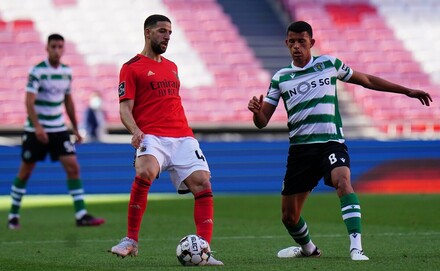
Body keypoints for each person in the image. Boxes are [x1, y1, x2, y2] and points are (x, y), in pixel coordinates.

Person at [247, 21, 432, 261]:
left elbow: (366, 80)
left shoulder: (329, 64)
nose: (296, 47)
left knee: (343, 182)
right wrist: (255, 111)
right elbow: (263, 121)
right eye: (291, 42)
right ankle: (308, 250)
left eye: (301, 41)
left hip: (330, 142)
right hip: (300, 151)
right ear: (286, 44)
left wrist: (406, 91)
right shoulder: (280, 78)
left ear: (311, 43)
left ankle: (356, 247)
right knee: (289, 217)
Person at [109, 14, 223, 266]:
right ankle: (130, 240)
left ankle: (204, 250)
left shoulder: (172, 66)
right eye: (162, 31)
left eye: (170, 32)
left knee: (203, 182)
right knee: (145, 171)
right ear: (148, 33)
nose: (167, 36)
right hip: (152, 135)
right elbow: (124, 109)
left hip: (182, 135)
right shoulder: (131, 67)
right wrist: (135, 131)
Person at [7, 33, 105, 229]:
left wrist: (76, 129)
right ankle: (13, 215)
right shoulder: (37, 71)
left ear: (64, 49)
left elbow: (68, 101)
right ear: (47, 48)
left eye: (60, 47)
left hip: (58, 129)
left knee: (73, 167)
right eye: (53, 46)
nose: (57, 50)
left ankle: (81, 214)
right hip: (37, 130)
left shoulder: (67, 72)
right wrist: (37, 127)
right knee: (25, 171)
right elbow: (29, 101)